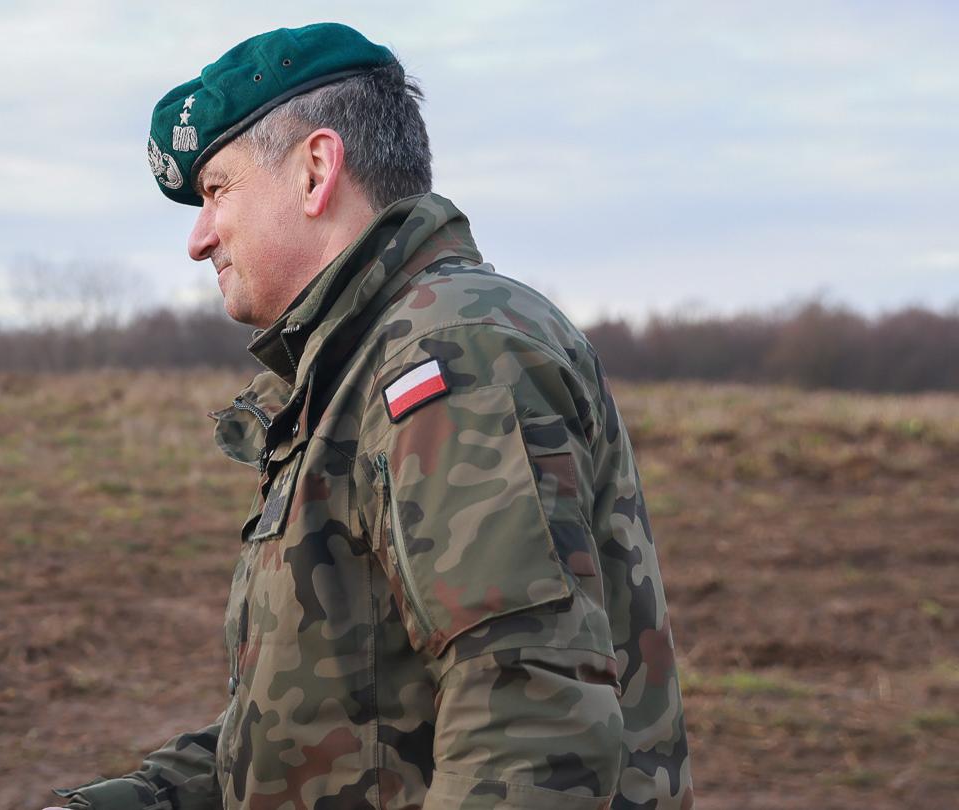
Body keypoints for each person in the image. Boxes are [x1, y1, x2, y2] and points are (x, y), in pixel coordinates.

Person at [52, 24, 691, 810]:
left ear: (315, 171)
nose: (198, 239)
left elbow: (527, 724)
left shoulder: (446, 355)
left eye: (217, 191)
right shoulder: (361, 366)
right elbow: (320, 732)